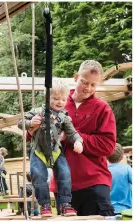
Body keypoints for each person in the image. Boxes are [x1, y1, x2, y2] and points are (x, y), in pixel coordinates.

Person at [28, 60, 117, 216]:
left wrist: (70, 137)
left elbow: (108, 146)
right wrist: (31, 129)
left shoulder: (103, 108)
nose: (88, 88)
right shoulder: (55, 101)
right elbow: (32, 136)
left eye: (93, 85)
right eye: (84, 81)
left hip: (95, 182)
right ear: (76, 77)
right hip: (63, 188)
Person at [19, 78, 82, 217]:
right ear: (46, 97)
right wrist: (30, 122)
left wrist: (78, 141)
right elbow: (20, 122)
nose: (60, 102)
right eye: (56, 98)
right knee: (38, 176)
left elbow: (72, 133)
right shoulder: (37, 112)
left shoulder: (64, 117)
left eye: (63, 99)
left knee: (65, 173)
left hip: (55, 151)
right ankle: (45, 205)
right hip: (39, 151)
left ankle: (65, 204)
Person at [107, 143, 132, 215]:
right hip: (125, 210)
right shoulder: (127, 169)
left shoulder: (104, 170)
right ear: (122, 157)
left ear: (106, 156)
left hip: (107, 209)